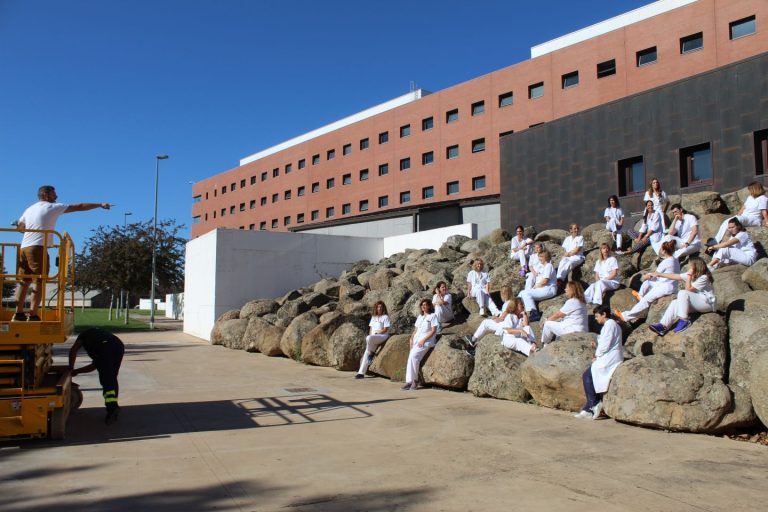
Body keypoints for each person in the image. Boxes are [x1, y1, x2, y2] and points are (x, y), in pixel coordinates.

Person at [14, 185, 111, 321]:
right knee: (39, 281)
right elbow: (79, 206)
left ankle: (18, 314)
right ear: (46, 195)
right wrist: (99, 204)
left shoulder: (29, 208)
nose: (57, 196)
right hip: (38, 247)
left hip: (24, 248)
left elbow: (20, 228)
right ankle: (33, 314)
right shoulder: (51, 207)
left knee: (24, 282)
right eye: (54, 194)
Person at [574, 306, 623, 420]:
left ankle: (594, 404)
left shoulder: (610, 325)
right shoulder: (610, 325)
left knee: (587, 375)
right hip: (608, 356)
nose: (596, 319)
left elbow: (605, 345)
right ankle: (588, 408)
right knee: (589, 375)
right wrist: (597, 346)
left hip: (610, 358)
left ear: (604, 314)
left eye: (597, 316)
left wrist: (597, 355)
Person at [69, 328, 125, 424]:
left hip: (105, 347)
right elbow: (96, 365)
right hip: (118, 345)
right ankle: (114, 406)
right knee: (112, 377)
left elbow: (74, 350)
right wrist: (77, 371)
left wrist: (71, 368)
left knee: (106, 380)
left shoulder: (83, 336)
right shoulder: (95, 334)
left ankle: (112, 408)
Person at [615, 240, 680, 323]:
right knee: (648, 282)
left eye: (661, 248)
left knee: (646, 300)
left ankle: (625, 316)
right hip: (668, 284)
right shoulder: (675, 260)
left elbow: (656, 274)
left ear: (664, 251)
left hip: (665, 287)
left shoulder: (666, 262)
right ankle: (640, 295)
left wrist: (646, 276)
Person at [648, 256, 715, 335]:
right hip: (698, 303)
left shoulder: (704, 277)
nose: (689, 267)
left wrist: (689, 275)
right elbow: (675, 276)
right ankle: (663, 326)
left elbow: (688, 290)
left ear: (696, 266)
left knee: (683, 293)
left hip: (707, 303)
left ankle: (684, 320)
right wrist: (659, 274)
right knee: (675, 303)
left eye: (690, 265)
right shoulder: (693, 274)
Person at [462, 286, 514, 354]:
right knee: (486, 324)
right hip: (507, 325)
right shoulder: (512, 301)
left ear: (503, 294)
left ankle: (474, 345)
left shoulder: (507, 304)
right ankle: (473, 341)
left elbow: (502, 318)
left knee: (487, 327)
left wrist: (495, 318)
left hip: (504, 326)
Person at [402, 299, 439, 391]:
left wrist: (423, 340)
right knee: (410, 358)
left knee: (414, 357)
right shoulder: (420, 317)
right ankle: (409, 381)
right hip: (416, 341)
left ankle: (415, 380)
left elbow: (433, 331)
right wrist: (411, 339)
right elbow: (416, 330)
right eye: (422, 305)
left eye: (425, 304)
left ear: (429, 306)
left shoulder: (433, 316)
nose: (423, 306)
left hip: (426, 341)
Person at [518, 249, 557, 322]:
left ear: (545, 257)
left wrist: (536, 286)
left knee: (526, 293)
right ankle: (517, 312)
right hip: (542, 288)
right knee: (521, 293)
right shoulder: (542, 267)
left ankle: (534, 313)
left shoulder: (549, 266)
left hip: (548, 289)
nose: (539, 258)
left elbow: (545, 281)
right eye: (539, 256)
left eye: (541, 257)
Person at [356, 301, 391, 379]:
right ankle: (361, 373)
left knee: (368, 339)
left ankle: (371, 352)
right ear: (376, 308)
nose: (379, 308)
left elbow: (385, 329)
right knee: (367, 352)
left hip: (382, 336)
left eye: (381, 307)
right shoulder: (373, 317)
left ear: (383, 308)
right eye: (378, 307)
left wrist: (376, 333)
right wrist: (371, 335)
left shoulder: (385, 317)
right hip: (373, 337)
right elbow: (371, 328)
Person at [556, 224, 585, 290]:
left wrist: (568, 254)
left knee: (569, 263)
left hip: (578, 257)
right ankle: (558, 279)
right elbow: (563, 249)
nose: (576, 230)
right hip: (568, 257)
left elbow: (577, 250)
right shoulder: (567, 239)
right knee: (563, 261)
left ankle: (561, 280)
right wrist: (564, 255)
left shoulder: (580, 238)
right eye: (575, 228)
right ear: (571, 230)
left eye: (577, 228)